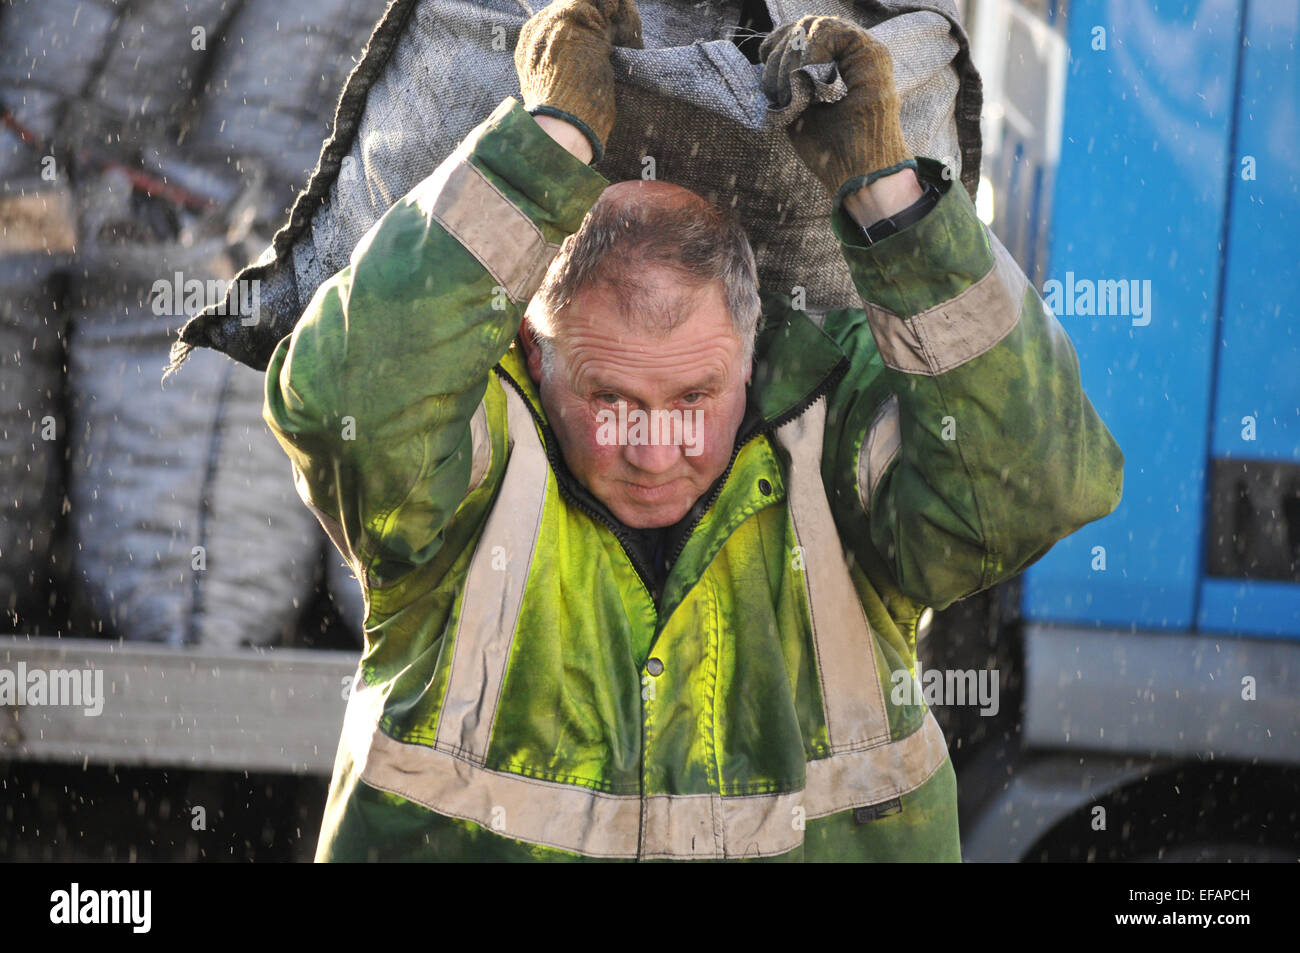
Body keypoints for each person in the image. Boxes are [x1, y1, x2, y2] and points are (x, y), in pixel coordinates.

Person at [263, 0, 1123, 861]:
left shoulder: (836, 437)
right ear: (529, 349)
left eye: (692, 396)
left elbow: (1034, 485)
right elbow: (344, 404)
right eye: (613, 400)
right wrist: (545, 147)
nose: (652, 449)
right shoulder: (467, 464)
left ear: (756, 349)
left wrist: (888, 193)